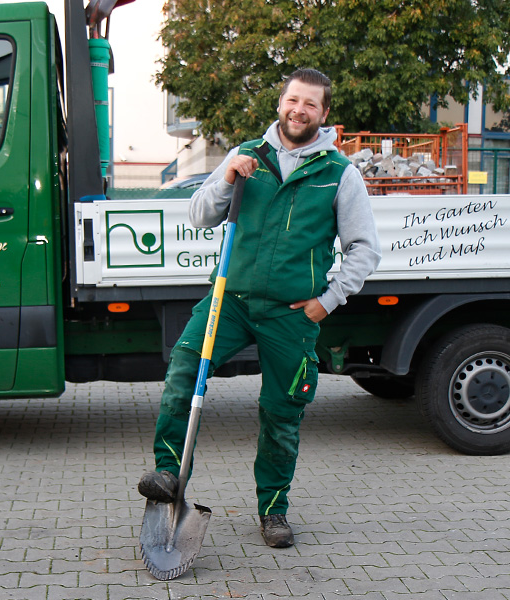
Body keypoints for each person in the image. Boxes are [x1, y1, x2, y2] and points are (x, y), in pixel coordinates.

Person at [138, 68, 381, 548]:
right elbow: (200, 214)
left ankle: (273, 512)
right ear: (281, 102)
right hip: (229, 300)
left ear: (324, 113)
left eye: (311, 104)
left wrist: (328, 300)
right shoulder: (246, 155)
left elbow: (364, 249)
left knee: (281, 410)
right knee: (185, 368)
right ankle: (168, 474)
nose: (299, 109)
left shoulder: (338, 174)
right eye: (293, 99)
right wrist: (227, 178)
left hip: (291, 312)